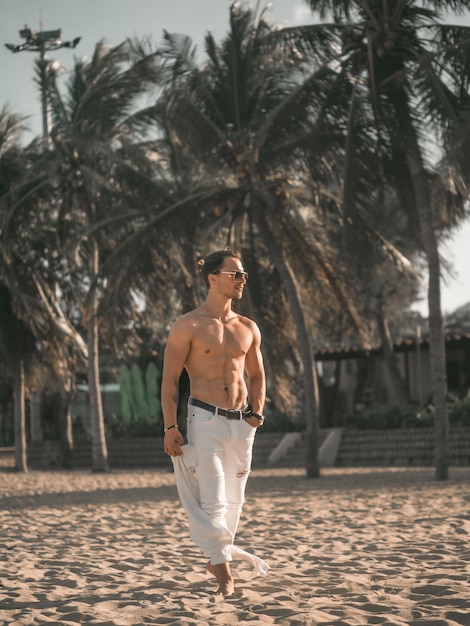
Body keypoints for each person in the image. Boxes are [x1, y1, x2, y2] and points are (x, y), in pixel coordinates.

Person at [161, 248, 268, 596]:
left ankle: (217, 556)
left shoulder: (247, 327)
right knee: (214, 498)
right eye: (234, 274)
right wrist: (170, 426)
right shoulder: (187, 325)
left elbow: (257, 376)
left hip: (242, 424)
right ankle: (224, 574)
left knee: (235, 499)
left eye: (243, 275)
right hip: (204, 418)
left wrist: (256, 415)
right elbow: (170, 380)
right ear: (212, 278)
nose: (241, 281)